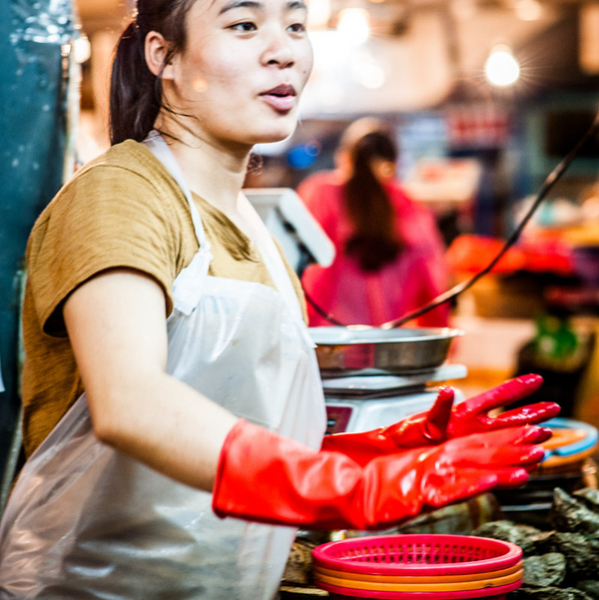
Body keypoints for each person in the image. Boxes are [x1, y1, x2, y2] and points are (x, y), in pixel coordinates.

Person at [0, 1, 559, 598]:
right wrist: (345, 486)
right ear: (163, 55)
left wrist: (379, 452)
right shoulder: (118, 195)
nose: (285, 50)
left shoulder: (257, 234)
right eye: (244, 25)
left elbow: (244, 435)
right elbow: (131, 402)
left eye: (295, 26)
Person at [298, 118, 449, 327]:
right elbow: (432, 281)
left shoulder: (320, 193)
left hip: (329, 339)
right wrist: (439, 331)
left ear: (344, 157)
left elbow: (306, 270)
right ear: (394, 163)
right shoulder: (409, 206)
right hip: (386, 340)